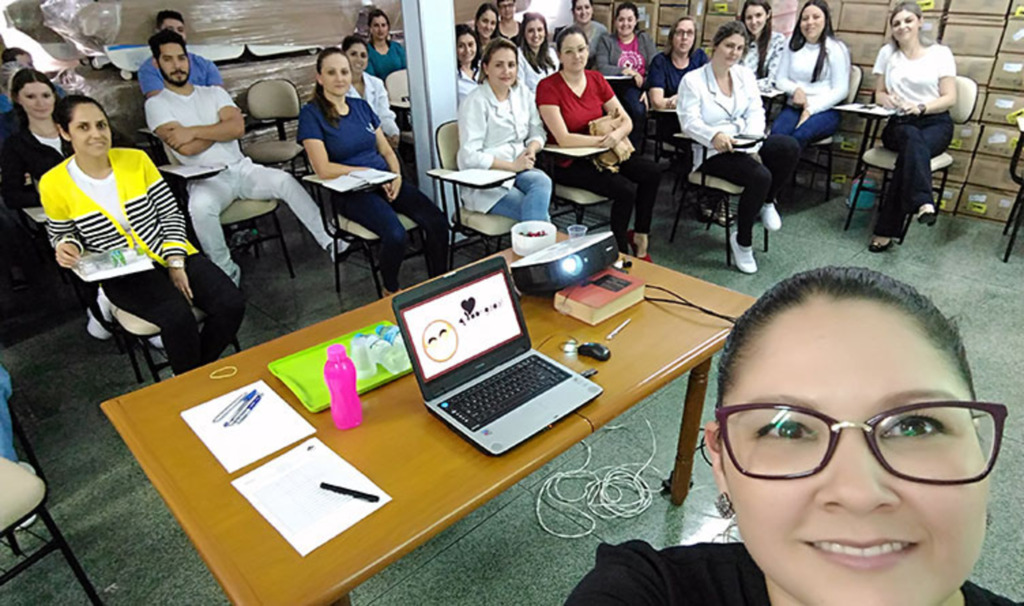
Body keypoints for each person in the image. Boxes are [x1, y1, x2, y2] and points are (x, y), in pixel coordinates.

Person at [567, 265, 1014, 606]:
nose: (858, 493)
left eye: (914, 426)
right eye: (789, 429)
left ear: (977, 446)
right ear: (721, 461)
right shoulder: (646, 590)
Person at [40, 95, 245, 375]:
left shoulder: (136, 160)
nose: (97, 134)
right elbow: (62, 231)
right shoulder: (54, 182)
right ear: (65, 132)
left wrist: (175, 261)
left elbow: (170, 212)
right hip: (120, 269)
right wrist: (66, 245)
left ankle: (192, 374)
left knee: (231, 303)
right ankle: (194, 380)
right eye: (83, 127)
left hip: (167, 249)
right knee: (177, 318)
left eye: (101, 125)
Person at [144, 30, 333, 285]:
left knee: (285, 181)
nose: (177, 66)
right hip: (206, 179)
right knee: (199, 209)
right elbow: (186, 150)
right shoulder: (156, 104)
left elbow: (237, 129)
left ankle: (331, 242)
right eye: (168, 59)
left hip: (242, 169)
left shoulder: (213, 93)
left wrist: (192, 131)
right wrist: (219, 129)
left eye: (181, 58)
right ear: (157, 63)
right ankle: (227, 273)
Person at [297, 48, 449, 295]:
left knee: (437, 221)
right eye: (331, 72)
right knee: (395, 234)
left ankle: (440, 283)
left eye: (344, 72)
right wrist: (367, 173)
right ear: (319, 77)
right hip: (350, 191)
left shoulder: (361, 107)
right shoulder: (311, 114)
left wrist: (397, 176)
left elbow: (387, 151)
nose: (340, 78)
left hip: (385, 180)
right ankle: (391, 290)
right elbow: (323, 168)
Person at [678, 21, 799, 274]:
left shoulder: (744, 75)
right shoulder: (693, 81)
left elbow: (756, 110)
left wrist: (749, 135)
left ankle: (767, 201)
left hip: (746, 142)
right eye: (729, 46)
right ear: (715, 45)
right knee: (760, 176)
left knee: (788, 146)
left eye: (740, 48)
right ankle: (742, 242)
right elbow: (689, 123)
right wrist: (715, 134)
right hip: (712, 152)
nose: (734, 52)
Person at [537, 26, 662, 260]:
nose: (577, 56)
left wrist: (616, 135)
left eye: (582, 49)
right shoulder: (548, 87)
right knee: (625, 190)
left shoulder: (596, 79)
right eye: (570, 51)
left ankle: (641, 234)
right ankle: (619, 251)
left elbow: (626, 119)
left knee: (652, 172)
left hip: (605, 152)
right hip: (569, 162)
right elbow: (563, 138)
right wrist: (603, 141)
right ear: (560, 55)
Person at [868, 1, 956, 253]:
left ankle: (885, 231)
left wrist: (921, 107)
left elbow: (950, 98)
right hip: (900, 123)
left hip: (934, 122)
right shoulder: (887, 53)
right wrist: (891, 100)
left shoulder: (941, 53)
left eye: (908, 20)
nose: (902, 26)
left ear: (919, 22)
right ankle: (923, 201)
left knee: (910, 155)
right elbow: (879, 94)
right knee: (910, 140)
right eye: (896, 23)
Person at [458, 38, 551, 222]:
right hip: (487, 181)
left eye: (511, 65)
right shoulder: (475, 101)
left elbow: (537, 130)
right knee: (537, 214)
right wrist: (512, 166)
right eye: (499, 65)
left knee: (542, 182)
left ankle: (534, 243)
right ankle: (538, 243)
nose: (507, 71)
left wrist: (531, 149)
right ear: (486, 68)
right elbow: (468, 156)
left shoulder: (522, 93)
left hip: (520, 169)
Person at [0, 70, 68, 301]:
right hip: (59, 214)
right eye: (31, 97)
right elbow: (12, 195)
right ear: (18, 99)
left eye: (45, 95)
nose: (40, 103)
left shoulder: (77, 128)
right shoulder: (16, 145)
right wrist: (50, 198)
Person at [772, 0, 850, 149]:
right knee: (777, 135)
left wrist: (810, 109)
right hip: (794, 107)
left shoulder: (836, 48)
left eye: (816, 17)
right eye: (805, 18)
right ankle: (774, 172)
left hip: (825, 110)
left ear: (826, 20)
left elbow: (841, 90)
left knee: (799, 136)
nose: (810, 22)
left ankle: (785, 172)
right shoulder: (791, 44)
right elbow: (780, 79)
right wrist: (796, 90)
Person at [593, 2, 656, 147]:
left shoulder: (644, 39)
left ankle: (632, 150)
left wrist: (647, 89)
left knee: (638, 109)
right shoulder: (606, 41)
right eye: (621, 19)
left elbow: (655, 67)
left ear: (635, 21)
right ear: (615, 21)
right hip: (612, 88)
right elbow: (602, 68)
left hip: (638, 88)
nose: (625, 24)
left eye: (629, 19)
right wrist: (624, 71)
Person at [137, 10, 223, 99]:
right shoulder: (148, 70)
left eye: (180, 30)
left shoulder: (205, 65)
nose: (176, 33)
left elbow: (221, 100)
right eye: (169, 29)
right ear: (158, 32)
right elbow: (160, 103)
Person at [342, 35, 400, 149]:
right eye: (353, 54)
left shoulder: (376, 84)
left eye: (363, 56)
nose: (359, 59)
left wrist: (393, 133)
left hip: (379, 140)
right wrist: (377, 141)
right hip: (352, 144)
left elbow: (384, 114)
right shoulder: (338, 86)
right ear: (343, 56)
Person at [647, 17, 708, 111]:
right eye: (680, 32)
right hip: (668, 119)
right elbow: (657, 102)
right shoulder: (659, 62)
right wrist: (691, 100)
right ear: (672, 37)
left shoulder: (700, 58)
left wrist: (681, 98)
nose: (684, 37)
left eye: (690, 33)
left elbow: (708, 95)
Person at [739, 0, 786, 90]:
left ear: (768, 14)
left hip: (764, 98)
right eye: (749, 17)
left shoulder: (778, 41)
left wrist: (745, 86)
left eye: (758, 15)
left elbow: (773, 80)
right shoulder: (740, 41)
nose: (753, 22)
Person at [517, 12, 559, 92]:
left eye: (540, 30)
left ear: (545, 32)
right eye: (530, 31)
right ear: (524, 33)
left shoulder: (552, 54)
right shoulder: (518, 56)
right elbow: (520, 90)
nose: (536, 35)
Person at [365, 9, 407, 81]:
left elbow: (406, 71)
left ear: (388, 27)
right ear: (370, 29)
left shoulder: (397, 48)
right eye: (376, 25)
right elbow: (371, 80)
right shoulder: (366, 52)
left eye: (383, 25)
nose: (380, 29)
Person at [456, 25, 480, 106]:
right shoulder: (452, 78)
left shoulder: (484, 69)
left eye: (470, 45)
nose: (467, 50)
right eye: (461, 46)